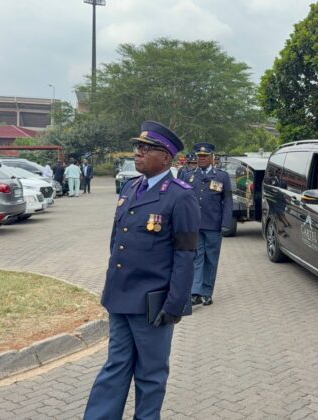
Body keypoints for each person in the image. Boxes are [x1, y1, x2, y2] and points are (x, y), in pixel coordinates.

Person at [84, 121, 199, 420]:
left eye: (147, 149)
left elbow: (185, 254)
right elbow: (117, 241)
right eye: (138, 147)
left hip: (153, 303)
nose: (138, 153)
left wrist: (175, 303)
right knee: (115, 366)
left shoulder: (180, 195)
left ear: (166, 158)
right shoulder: (130, 187)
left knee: (150, 374)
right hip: (120, 297)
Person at [183, 143, 232, 306]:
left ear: (212, 158)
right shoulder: (188, 176)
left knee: (211, 259)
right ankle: (195, 292)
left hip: (213, 225)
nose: (201, 159)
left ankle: (206, 293)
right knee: (196, 258)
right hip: (194, 225)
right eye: (199, 157)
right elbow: (182, 201)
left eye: (205, 156)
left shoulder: (222, 176)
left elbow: (228, 200)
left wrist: (226, 223)